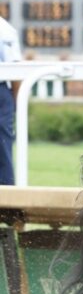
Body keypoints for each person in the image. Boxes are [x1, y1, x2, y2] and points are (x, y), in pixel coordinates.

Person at [0, 15, 21, 185]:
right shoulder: (5, 28)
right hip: (2, 94)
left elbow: (15, 70)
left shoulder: (5, 28)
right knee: (3, 148)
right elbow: (15, 70)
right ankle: (8, 205)